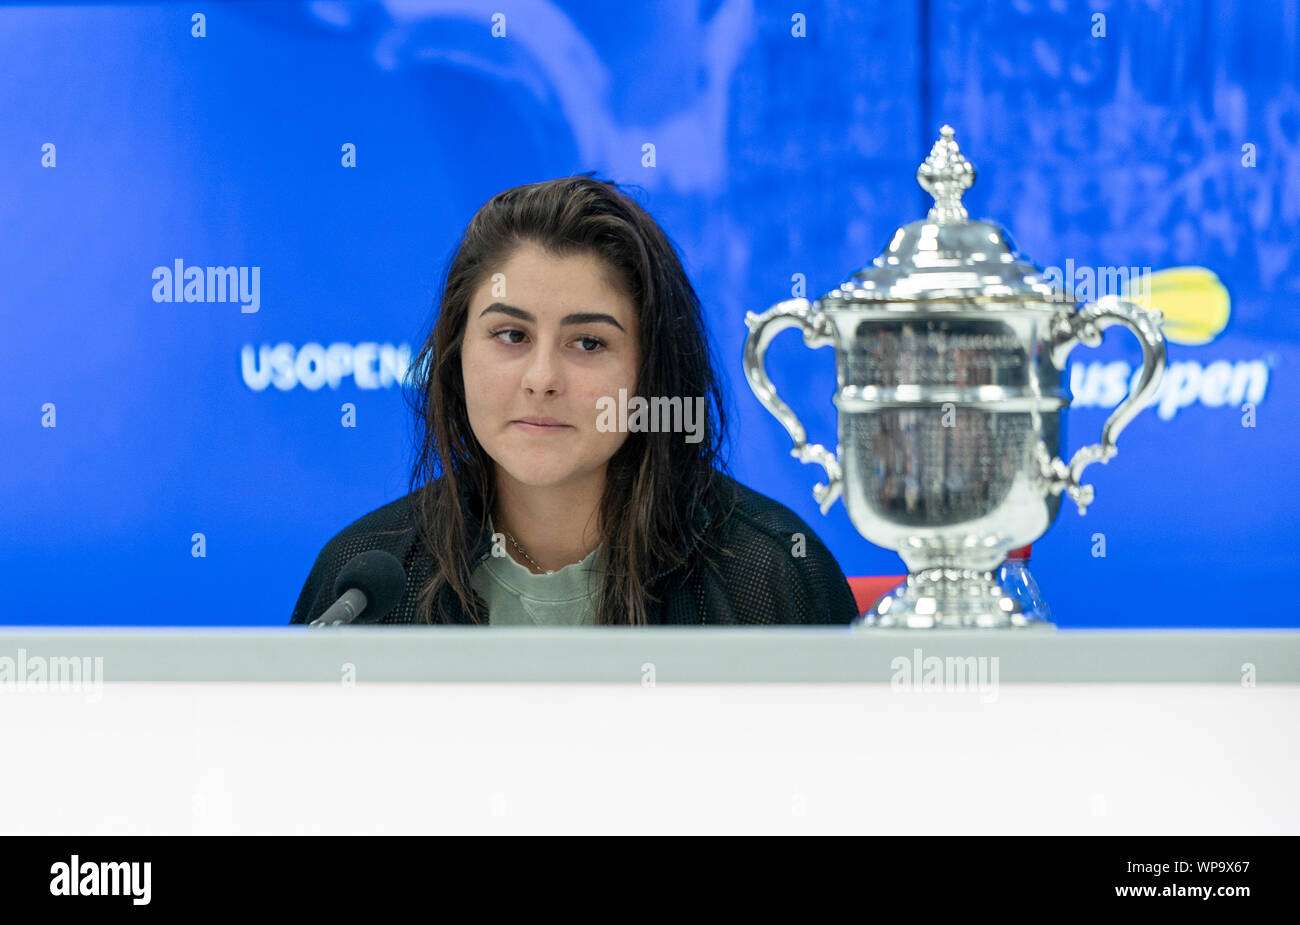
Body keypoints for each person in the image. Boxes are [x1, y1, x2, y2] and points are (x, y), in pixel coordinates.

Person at [290, 174, 857, 626]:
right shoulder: (361, 587)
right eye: (510, 335)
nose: (542, 379)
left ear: (652, 371)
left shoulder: (771, 574)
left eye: (588, 342)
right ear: (456, 354)